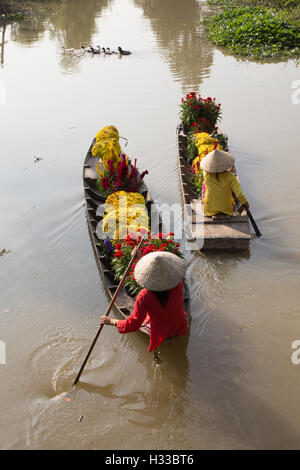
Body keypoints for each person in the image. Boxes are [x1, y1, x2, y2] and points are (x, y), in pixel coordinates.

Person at [100, 251, 188, 352]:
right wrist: (140, 258)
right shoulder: (178, 284)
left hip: (160, 331)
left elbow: (133, 324)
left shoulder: (144, 295)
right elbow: (161, 278)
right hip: (180, 325)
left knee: (144, 318)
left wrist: (112, 321)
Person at [200, 149, 249, 217]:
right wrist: (245, 203)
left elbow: (205, 170)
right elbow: (239, 194)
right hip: (227, 210)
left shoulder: (206, 175)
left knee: (204, 185)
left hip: (209, 210)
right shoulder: (230, 176)